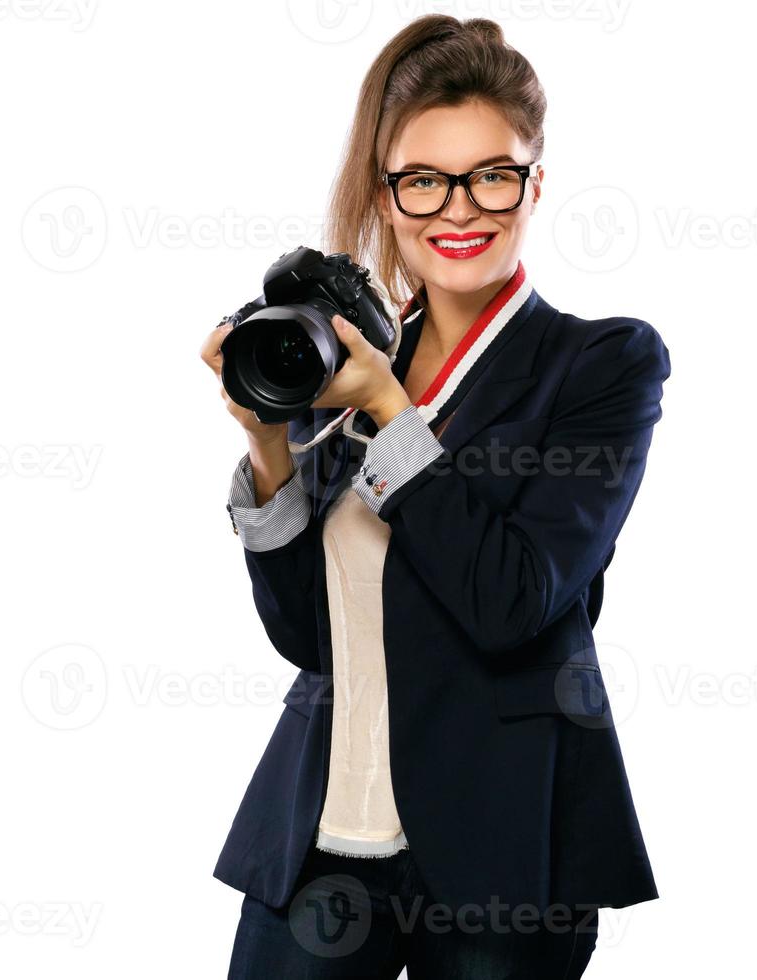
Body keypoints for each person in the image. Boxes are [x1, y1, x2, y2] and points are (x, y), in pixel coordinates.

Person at [200, 14, 670, 979]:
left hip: (499, 843)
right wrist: (268, 447)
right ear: (388, 193)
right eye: (424, 179)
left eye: (492, 173)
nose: (459, 208)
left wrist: (387, 405)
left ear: (535, 182)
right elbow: (308, 638)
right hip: (328, 829)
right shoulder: (348, 358)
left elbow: (511, 602)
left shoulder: (602, 362)